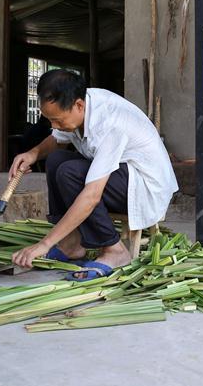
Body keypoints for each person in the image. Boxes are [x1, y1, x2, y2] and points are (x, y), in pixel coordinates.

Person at [9, 70, 178, 280]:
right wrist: (33, 154)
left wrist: (45, 244)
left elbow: (92, 196)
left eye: (58, 120)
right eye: (50, 120)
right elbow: (57, 139)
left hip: (145, 188)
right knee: (55, 160)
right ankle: (71, 243)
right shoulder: (77, 105)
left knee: (71, 173)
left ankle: (115, 250)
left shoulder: (108, 122)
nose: (54, 126)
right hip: (122, 177)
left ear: (79, 105)